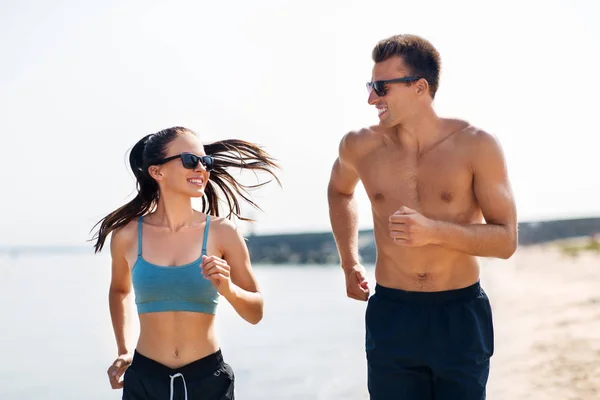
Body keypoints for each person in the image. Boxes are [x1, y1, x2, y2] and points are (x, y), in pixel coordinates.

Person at [327, 34, 517, 399]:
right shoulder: (359, 146)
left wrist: (434, 231)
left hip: (458, 314)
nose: (371, 98)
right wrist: (348, 261)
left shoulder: (475, 145)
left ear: (419, 87)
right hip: (393, 313)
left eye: (381, 87)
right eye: (370, 86)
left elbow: (506, 240)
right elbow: (339, 191)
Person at [91, 126, 280, 400]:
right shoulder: (127, 236)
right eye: (191, 160)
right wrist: (123, 349)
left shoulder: (222, 232)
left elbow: (256, 312)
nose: (201, 168)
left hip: (208, 381)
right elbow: (119, 290)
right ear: (157, 172)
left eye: (206, 162)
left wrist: (227, 289)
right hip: (144, 380)